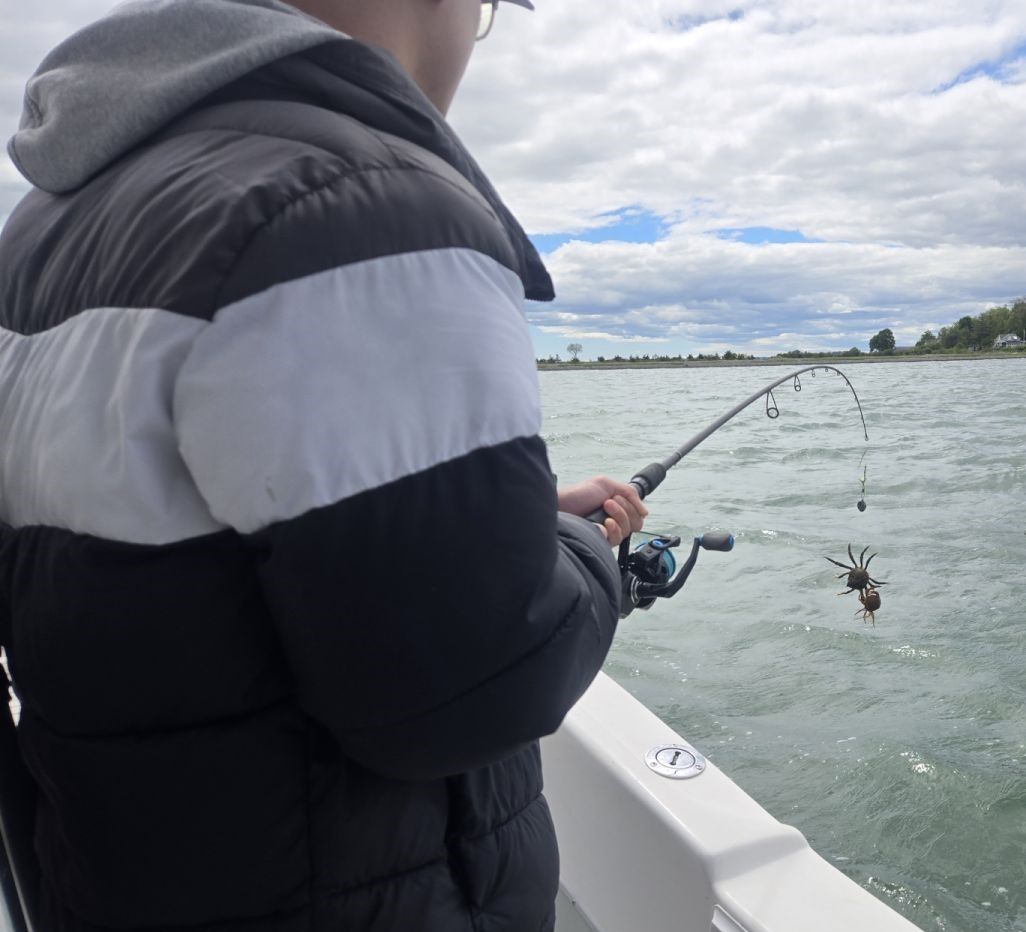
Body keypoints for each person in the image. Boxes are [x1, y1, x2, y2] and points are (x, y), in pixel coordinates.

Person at [0, 0, 646, 929]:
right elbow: (475, 690)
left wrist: (521, 508)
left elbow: (185, 530)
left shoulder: (50, 225)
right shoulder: (355, 202)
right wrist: (589, 553)